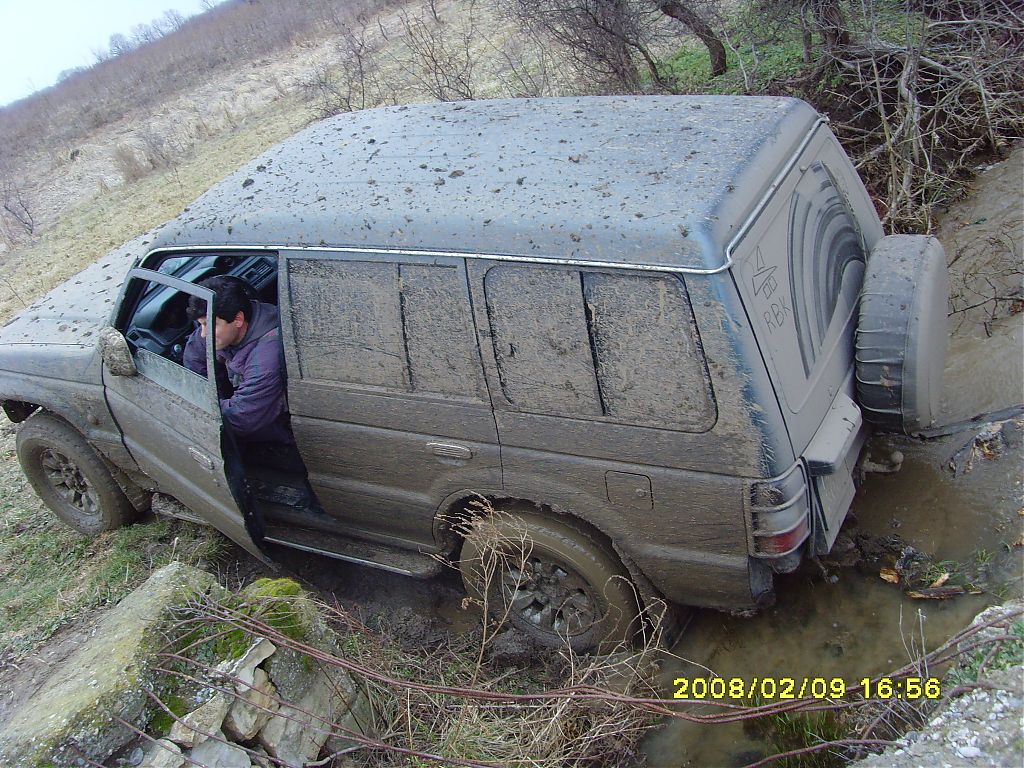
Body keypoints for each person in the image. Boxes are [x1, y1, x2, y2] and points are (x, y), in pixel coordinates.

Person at [183, 276, 302, 474]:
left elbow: (242, 417)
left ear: (238, 319)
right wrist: (208, 395)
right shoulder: (220, 328)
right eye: (201, 325)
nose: (203, 333)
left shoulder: (267, 355)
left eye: (209, 325)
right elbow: (195, 356)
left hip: (285, 434)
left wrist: (204, 404)